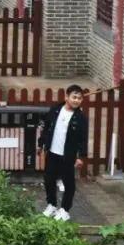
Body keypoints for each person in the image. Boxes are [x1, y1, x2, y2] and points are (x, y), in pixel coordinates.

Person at [38, 84, 88, 222]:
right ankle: (52, 205)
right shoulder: (55, 110)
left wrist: (80, 156)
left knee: (68, 183)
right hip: (52, 152)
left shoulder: (81, 118)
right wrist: (41, 144)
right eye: (74, 97)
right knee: (49, 179)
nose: (76, 100)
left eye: (79, 98)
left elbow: (83, 139)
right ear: (66, 97)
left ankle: (65, 210)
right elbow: (46, 128)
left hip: (68, 155)